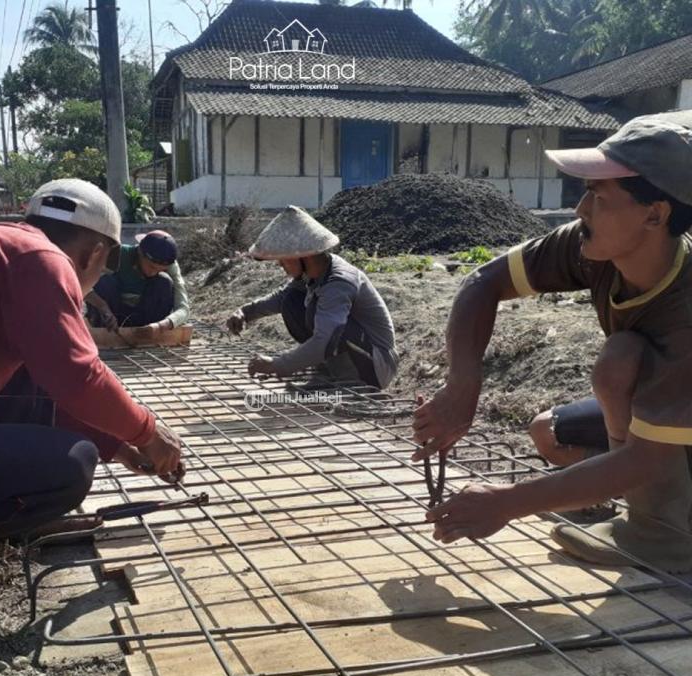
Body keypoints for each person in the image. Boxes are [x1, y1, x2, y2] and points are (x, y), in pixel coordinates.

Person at [413, 110, 692, 573]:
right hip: (664, 418)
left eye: (598, 196)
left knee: (621, 361)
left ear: (655, 214)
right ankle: (636, 498)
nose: (581, 210)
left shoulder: (686, 311)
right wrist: (463, 387)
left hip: (678, 424)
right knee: (550, 431)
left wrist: (506, 503)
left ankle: (664, 533)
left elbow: (647, 457)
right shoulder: (595, 248)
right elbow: (484, 282)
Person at [0, 178, 184, 573]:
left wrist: (115, 445)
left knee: (33, 390)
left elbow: (44, 383)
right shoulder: (40, 258)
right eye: (106, 264)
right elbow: (77, 374)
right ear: (94, 252)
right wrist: (147, 432)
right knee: (72, 466)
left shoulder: (1, 251)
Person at [226, 206, 399, 390]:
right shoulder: (313, 274)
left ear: (303, 256)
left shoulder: (338, 282)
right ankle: (330, 374)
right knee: (292, 301)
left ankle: (350, 381)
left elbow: (325, 340)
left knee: (325, 319)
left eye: (284, 259)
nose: (280, 264)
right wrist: (245, 312)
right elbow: (282, 298)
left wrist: (277, 364)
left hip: (376, 366)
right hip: (361, 356)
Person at [85, 229, 190, 333]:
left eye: (160, 269)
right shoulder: (117, 254)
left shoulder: (170, 266)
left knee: (165, 282)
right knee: (105, 282)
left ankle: (148, 334)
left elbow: (183, 308)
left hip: (145, 318)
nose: (153, 273)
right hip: (113, 314)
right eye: (151, 267)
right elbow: (79, 285)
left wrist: (164, 324)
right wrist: (102, 306)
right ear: (140, 252)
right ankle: (104, 332)